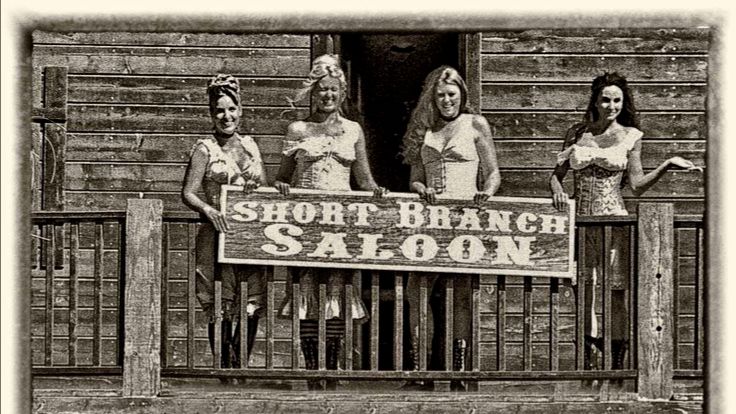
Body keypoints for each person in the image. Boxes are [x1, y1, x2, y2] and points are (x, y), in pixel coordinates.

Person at [549, 72, 702, 371]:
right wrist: (557, 192)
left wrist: (667, 165)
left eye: (617, 100)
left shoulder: (631, 136)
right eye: (605, 100)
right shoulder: (577, 133)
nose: (611, 106)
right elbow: (556, 176)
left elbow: (636, 185)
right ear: (595, 101)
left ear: (623, 102)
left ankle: (617, 358)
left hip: (615, 222)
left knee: (616, 290)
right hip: (581, 223)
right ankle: (589, 355)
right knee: (584, 288)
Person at [274, 54, 387, 390]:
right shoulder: (297, 129)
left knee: (338, 293)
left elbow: (363, 179)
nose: (328, 95)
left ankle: (333, 368)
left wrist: (377, 191)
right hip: (306, 225)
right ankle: (313, 370)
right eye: (322, 89)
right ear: (313, 92)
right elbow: (282, 176)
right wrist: (282, 186)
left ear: (342, 92)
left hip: (339, 226)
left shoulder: (352, 130)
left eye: (333, 89)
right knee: (307, 294)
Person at [400, 65, 501, 389]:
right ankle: (421, 370)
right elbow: (415, 178)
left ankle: (458, 371)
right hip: (430, 220)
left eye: (452, 94)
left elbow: (493, 172)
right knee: (417, 292)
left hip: (464, 218)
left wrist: (486, 193)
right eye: (441, 95)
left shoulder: (475, 124)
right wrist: (421, 189)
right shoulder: (425, 129)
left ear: (462, 95)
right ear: (433, 98)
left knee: (461, 296)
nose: (447, 101)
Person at [182, 74, 269, 369]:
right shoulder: (204, 148)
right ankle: (223, 369)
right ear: (211, 113)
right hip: (216, 234)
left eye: (231, 109)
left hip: (247, 234)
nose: (226, 116)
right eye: (219, 110)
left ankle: (241, 367)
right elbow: (188, 192)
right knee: (220, 303)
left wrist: (256, 188)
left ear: (240, 110)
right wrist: (209, 210)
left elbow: (265, 188)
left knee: (252, 302)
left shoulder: (251, 146)